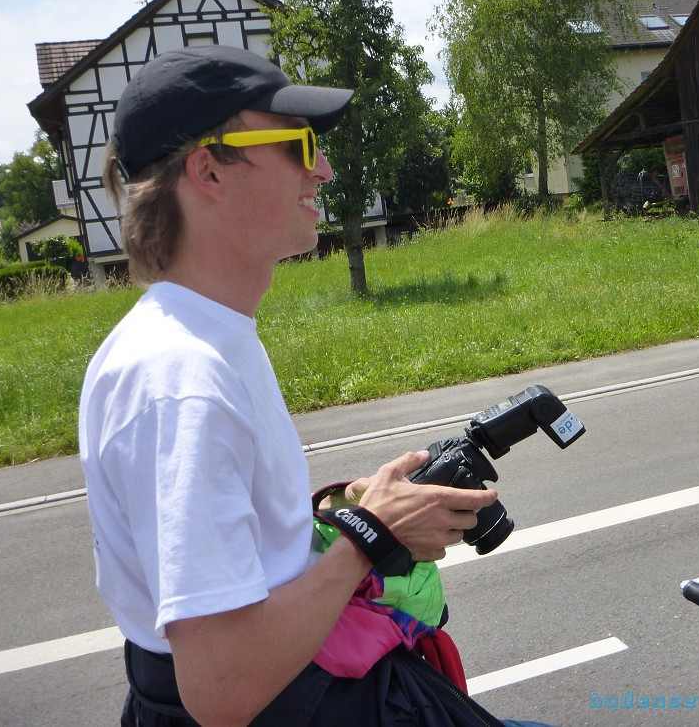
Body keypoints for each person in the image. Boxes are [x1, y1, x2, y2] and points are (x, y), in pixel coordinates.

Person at [79, 45, 552, 727]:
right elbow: (222, 688)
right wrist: (369, 534)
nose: (322, 168)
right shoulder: (182, 379)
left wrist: (340, 515)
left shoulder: (202, 336)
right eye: (299, 144)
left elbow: (241, 567)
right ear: (208, 169)